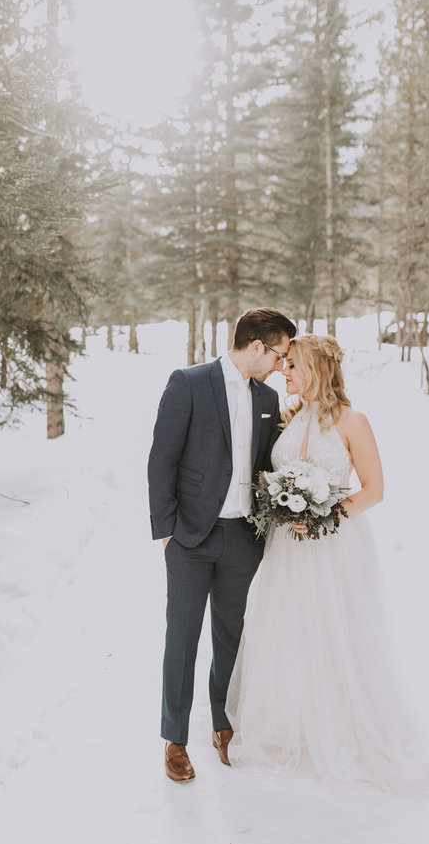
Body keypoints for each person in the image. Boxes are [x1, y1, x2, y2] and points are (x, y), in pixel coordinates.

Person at [225, 334, 429, 791]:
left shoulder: (352, 420)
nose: (284, 372)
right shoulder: (289, 417)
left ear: (317, 370)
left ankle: (341, 729)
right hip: (287, 546)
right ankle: (292, 725)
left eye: (292, 366)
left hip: (334, 545)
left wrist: (323, 515)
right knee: (288, 629)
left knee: (335, 629)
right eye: (283, 365)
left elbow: (374, 489)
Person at [148, 307, 296, 783]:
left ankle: (222, 723)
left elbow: (267, 462)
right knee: (183, 637)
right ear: (257, 346)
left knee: (231, 636)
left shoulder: (269, 397)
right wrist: (166, 529)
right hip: (190, 537)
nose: (280, 365)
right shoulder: (188, 382)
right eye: (279, 355)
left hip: (243, 538)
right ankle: (175, 740)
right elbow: (161, 458)